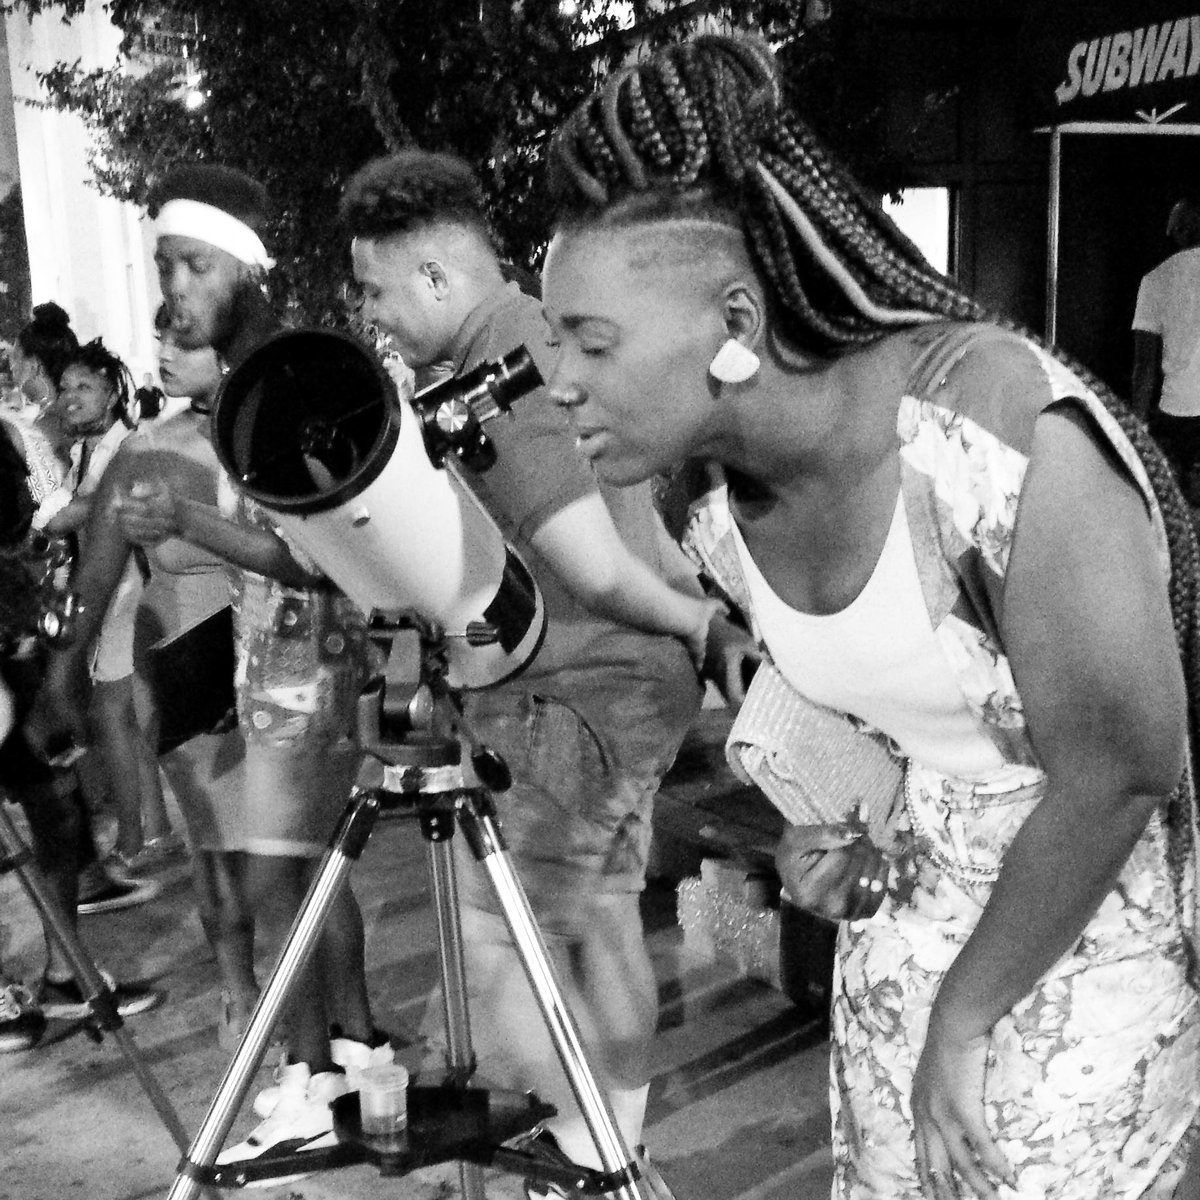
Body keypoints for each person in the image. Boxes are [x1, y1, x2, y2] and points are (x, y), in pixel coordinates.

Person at [540, 32, 1200, 1200]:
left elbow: (1125, 769)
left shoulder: (992, 434)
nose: (562, 381)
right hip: (905, 946)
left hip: (1078, 946)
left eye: (593, 343)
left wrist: (964, 1018)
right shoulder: (705, 497)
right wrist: (839, 834)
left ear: (737, 323)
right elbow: (872, 717)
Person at [339, 149, 749, 1182]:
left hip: (582, 689)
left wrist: (702, 627)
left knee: (520, 940)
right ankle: (620, 1151)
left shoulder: (498, 371)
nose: (374, 315)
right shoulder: (532, 329)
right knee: (598, 925)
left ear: (436, 276)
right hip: (606, 684)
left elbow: (592, 567)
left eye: (378, 290)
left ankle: (591, 1163)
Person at [30, 164, 391, 1170]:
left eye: (189, 266)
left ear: (239, 262)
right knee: (309, 876)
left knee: (282, 881)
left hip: (297, 654)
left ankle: (312, 1078)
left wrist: (182, 518)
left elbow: (309, 553)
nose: (171, 293)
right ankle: (352, 1053)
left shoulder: (274, 382)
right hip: (280, 654)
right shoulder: (245, 385)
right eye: (163, 269)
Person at [0, 402, 161, 1049]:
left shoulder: (7, 432)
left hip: (13, 633)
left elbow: (22, 517)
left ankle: (65, 968)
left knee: (59, 808)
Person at [46, 338, 182, 875]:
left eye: (83, 387)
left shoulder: (126, 446)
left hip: (132, 590)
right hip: (112, 595)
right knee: (130, 719)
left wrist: (50, 513)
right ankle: (155, 831)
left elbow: (72, 514)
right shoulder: (82, 448)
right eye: (64, 388)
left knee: (111, 717)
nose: (69, 397)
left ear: (111, 391)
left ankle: (130, 841)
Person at [1132, 198, 1200, 502]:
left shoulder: (1155, 279)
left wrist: (1138, 426)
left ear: (1177, 233)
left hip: (1176, 413)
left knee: (1175, 508)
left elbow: (1145, 365)